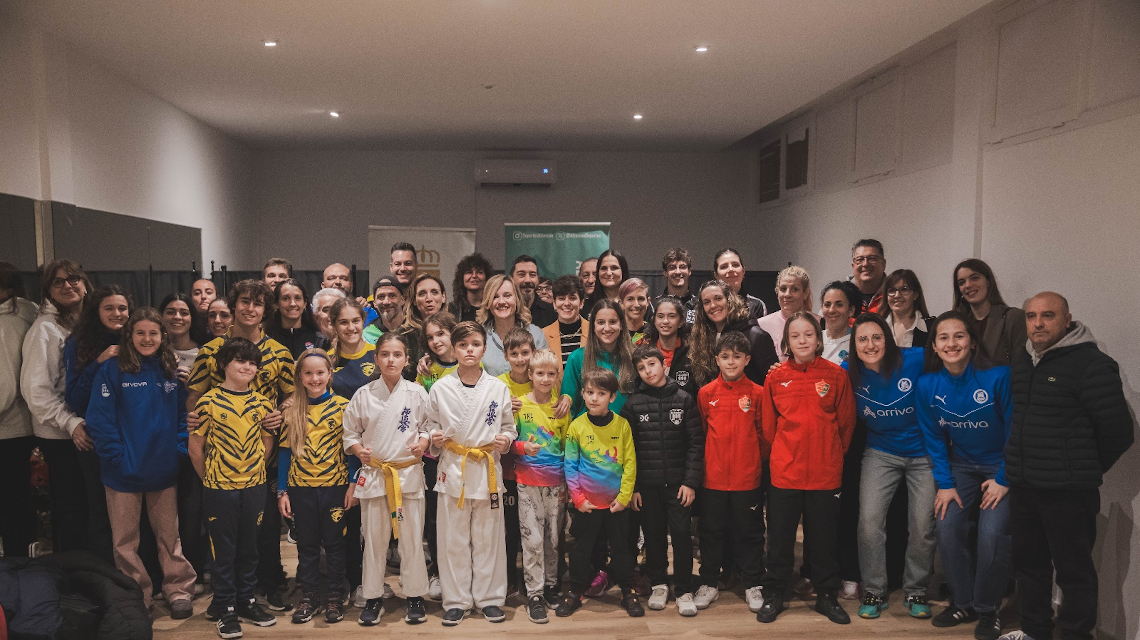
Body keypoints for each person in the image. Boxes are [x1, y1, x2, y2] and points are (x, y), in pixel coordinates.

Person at [1001, 293, 1134, 640]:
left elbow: (1118, 431)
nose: (1038, 323)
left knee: (1074, 572)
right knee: (1029, 568)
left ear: (1067, 319)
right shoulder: (1022, 359)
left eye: (1048, 315)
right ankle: (1034, 631)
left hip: (1069, 492)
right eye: (1031, 316)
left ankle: (1075, 635)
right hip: (1024, 486)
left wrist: (1081, 466)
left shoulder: (1092, 364)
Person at [187, 279, 294, 612]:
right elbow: (194, 395)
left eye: (258, 303)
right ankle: (226, 597)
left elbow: (292, 395)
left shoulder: (279, 352)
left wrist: (279, 415)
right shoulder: (210, 351)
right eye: (245, 302)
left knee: (265, 528)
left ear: (266, 310)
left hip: (266, 451)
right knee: (226, 534)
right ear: (233, 306)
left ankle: (268, 583)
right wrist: (193, 423)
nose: (250, 308)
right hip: (220, 457)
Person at [84, 308, 196, 617]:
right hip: (122, 473)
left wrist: (177, 451)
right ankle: (136, 594)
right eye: (140, 333)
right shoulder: (112, 371)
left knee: (169, 538)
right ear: (130, 337)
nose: (147, 339)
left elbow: (182, 419)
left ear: (163, 337)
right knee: (124, 541)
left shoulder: (172, 371)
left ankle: (178, 590)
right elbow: (100, 421)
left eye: (153, 333)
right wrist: (118, 458)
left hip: (163, 471)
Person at [916, 311, 1013, 640]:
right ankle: (962, 601)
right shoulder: (927, 385)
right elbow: (934, 439)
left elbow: (1017, 434)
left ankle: (988, 609)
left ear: (972, 342)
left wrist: (1004, 478)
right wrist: (944, 484)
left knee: (992, 537)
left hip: (1001, 468)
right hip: (961, 467)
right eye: (943, 337)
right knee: (947, 525)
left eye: (959, 336)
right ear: (935, 345)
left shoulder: (999, 377)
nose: (951, 343)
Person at [758, 312, 856, 625]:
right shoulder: (775, 377)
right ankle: (774, 592)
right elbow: (769, 427)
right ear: (786, 341)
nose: (802, 341)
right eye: (796, 336)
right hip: (785, 472)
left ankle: (826, 595)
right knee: (780, 537)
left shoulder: (836, 375)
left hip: (825, 473)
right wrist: (787, 454)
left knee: (824, 539)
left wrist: (830, 454)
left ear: (818, 339)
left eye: (808, 335)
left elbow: (846, 423)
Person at [425, 321, 517, 626]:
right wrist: (434, 438)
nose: (469, 351)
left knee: (489, 539)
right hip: (453, 469)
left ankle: (490, 598)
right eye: (462, 345)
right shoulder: (440, 387)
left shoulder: (497, 387)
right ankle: (456, 600)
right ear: (453, 348)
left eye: (475, 344)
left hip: (487, 468)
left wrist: (506, 439)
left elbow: (507, 427)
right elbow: (428, 426)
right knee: (453, 539)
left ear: (484, 348)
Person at [846, 314, 936, 620]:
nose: (870, 345)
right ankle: (874, 589)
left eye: (876, 337)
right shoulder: (848, 372)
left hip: (923, 454)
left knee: (922, 526)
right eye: (862, 339)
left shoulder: (916, 359)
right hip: (880, 451)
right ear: (854, 345)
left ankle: (916, 590)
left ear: (888, 339)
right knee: (869, 522)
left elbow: (955, 367)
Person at [189, 338, 279, 637]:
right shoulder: (208, 401)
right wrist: (211, 479)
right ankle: (225, 607)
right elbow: (196, 447)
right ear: (224, 364)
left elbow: (268, 442)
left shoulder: (262, 403)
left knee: (249, 547)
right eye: (240, 360)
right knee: (223, 550)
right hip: (219, 489)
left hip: (253, 486)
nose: (247, 366)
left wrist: (253, 471)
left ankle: (246, 599)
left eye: (253, 362)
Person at [343, 333, 433, 625]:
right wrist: (358, 450)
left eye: (397, 354)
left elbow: (428, 426)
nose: (391, 360)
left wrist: (423, 441)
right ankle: (372, 595)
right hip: (375, 473)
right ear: (376, 358)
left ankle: (415, 594)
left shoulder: (417, 393)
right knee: (373, 539)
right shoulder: (364, 394)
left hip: (407, 473)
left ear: (407, 360)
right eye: (385, 354)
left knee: (410, 540)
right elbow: (349, 433)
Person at [622, 344, 704, 617]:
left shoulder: (684, 399)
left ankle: (683, 588)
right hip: (647, 486)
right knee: (654, 536)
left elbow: (695, 443)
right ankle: (658, 583)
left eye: (652, 365)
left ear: (664, 366)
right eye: (642, 368)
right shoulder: (633, 404)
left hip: (679, 485)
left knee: (681, 535)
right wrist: (633, 488)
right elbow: (628, 449)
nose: (647, 372)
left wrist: (690, 482)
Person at [557, 368, 643, 618]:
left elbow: (630, 464)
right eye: (590, 392)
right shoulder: (577, 426)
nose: (594, 398)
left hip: (616, 505)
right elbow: (570, 467)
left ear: (612, 397)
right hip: (587, 505)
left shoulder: (623, 425)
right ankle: (574, 591)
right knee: (582, 550)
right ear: (582, 394)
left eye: (601, 393)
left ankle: (628, 591)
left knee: (622, 550)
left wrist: (624, 497)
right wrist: (579, 499)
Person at [21, 260, 93, 556]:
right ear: (48, 291)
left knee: (89, 509)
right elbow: (36, 391)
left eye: (73, 278)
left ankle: (93, 574)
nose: (68, 285)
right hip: (62, 436)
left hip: (88, 431)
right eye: (58, 282)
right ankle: (72, 580)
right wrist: (70, 422)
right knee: (72, 511)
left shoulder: (89, 323)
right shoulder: (45, 330)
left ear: (85, 283)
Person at [691, 332, 766, 614]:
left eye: (737, 356)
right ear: (717, 360)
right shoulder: (706, 393)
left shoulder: (758, 393)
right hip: (713, 479)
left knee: (750, 532)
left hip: (748, 478)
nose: (731, 362)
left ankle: (753, 583)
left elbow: (763, 435)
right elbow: (702, 432)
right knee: (711, 532)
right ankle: (709, 581)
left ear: (747, 360)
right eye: (725, 356)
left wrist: (753, 464)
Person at [278, 348, 351, 625]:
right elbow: (284, 453)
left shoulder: (344, 407)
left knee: (334, 544)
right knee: (307, 546)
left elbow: (351, 452)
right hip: (301, 489)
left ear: (330, 374)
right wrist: (282, 491)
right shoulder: (292, 408)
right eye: (308, 373)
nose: (314, 378)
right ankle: (308, 595)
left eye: (320, 372)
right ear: (300, 376)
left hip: (334, 487)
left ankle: (334, 595)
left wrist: (353, 484)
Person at [62, 285, 132, 564]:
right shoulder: (79, 342)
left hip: (132, 437)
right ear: (96, 311)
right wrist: (99, 362)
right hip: (96, 439)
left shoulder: (138, 338)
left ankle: (137, 575)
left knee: (131, 511)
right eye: (109, 308)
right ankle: (106, 576)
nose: (117, 313)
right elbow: (74, 397)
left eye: (122, 308)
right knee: (100, 509)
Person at [512, 348, 570, 623]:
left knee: (554, 539)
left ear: (557, 376)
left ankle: (551, 585)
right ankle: (534, 593)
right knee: (532, 539)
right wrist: (523, 447)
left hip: (556, 484)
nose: (545, 379)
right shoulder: (520, 405)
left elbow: (569, 447)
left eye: (551, 374)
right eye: (540, 374)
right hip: (527, 483)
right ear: (530, 375)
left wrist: (569, 484)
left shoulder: (561, 408)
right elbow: (508, 441)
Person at [325, 297, 376, 606]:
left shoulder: (379, 356)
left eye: (355, 321)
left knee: (372, 524)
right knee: (345, 522)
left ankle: (371, 581)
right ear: (334, 326)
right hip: (337, 452)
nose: (350, 327)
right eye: (343, 322)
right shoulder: (327, 362)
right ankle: (350, 581)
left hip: (372, 452)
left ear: (363, 322)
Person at [159, 292, 209, 591]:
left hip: (194, 441)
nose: (177, 317)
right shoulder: (150, 350)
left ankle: (194, 570)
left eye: (184, 312)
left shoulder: (205, 353)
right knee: (163, 517)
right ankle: (164, 573)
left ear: (192, 317)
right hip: (158, 442)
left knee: (192, 513)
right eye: (170, 311)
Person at [0, 263, 43, 559]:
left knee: (12, 500)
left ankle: (18, 564)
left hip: (8, 427)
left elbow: (5, 382)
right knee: (16, 498)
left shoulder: (10, 322)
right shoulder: (29, 312)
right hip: (17, 426)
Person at [496, 327, 534, 598]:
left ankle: (535, 577)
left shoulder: (542, 380)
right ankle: (509, 577)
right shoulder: (498, 384)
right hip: (508, 467)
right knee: (510, 527)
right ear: (506, 355)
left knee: (531, 526)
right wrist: (502, 407)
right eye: (514, 353)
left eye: (525, 352)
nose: (520, 359)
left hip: (535, 467)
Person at [689, 280, 779, 388]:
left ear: (729, 300)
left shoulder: (756, 336)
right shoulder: (700, 337)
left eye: (718, 298)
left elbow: (773, 384)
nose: (713, 305)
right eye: (707, 302)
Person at [561, 299, 636, 417]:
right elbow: (569, 407)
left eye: (612, 322)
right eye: (601, 322)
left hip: (624, 432)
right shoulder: (577, 358)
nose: (607, 328)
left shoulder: (634, 358)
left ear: (621, 324)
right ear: (593, 326)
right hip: (586, 433)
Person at [952, 258, 1026, 366]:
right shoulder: (957, 324)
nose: (968, 285)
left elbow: (1021, 368)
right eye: (962, 282)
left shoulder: (1014, 318)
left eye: (975, 278)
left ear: (988, 281)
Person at [476, 274, 548, 377]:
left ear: (517, 299)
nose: (501, 301)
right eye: (495, 297)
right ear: (488, 301)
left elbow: (545, 375)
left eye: (507, 295)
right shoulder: (479, 337)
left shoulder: (536, 334)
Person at [639, 296, 696, 398]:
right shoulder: (644, 352)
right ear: (654, 320)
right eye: (660, 316)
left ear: (681, 322)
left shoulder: (692, 353)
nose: (665, 321)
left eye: (672, 316)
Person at [757, 266, 815, 360]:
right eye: (783, 289)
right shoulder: (761, 325)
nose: (787, 294)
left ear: (805, 293)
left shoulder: (819, 323)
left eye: (794, 289)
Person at [397, 273, 448, 380]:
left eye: (434, 292)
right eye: (422, 294)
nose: (429, 298)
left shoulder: (456, 331)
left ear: (443, 297)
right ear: (414, 300)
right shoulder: (401, 336)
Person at [266, 278, 327, 359]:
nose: (292, 303)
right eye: (285, 298)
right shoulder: (266, 340)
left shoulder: (320, 341)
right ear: (276, 303)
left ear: (305, 303)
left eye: (297, 298)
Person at [543, 274, 588, 370]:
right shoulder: (543, 335)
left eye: (572, 298)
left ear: (581, 303)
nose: (567, 303)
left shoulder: (594, 331)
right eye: (561, 298)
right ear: (554, 304)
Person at [880, 269, 933, 348]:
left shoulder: (933, 327)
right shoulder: (878, 327)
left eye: (904, 289)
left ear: (916, 294)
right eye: (891, 290)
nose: (897, 295)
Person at [713, 248, 768, 321]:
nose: (731, 269)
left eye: (735, 265)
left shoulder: (757, 305)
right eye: (724, 266)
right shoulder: (708, 305)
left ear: (743, 271)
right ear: (716, 275)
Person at [510, 254, 557, 329]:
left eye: (532, 275)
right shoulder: (504, 311)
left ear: (538, 279)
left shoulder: (552, 313)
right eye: (521, 275)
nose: (528, 280)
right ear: (511, 279)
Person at [819, 281, 859, 364]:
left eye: (839, 305)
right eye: (827, 305)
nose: (832, 310)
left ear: (851, 310)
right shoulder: (815, 340)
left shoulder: (858, 342)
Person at [449, 252, 491, 323]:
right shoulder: (453, 309)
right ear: (461, 279)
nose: (474, 276)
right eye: (469, 272)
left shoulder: (493, 307)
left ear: (486, 279)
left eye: (479, 272)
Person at [362, 276, 405, 345]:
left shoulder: (414, 330)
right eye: (381, 297)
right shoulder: (367, 335)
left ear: (402, 300)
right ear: (374, 303)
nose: (386, 302)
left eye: (392, 296)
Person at [850, 239, 887, 315]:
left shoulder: (895, 296)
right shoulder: (841, 295)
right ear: (853, 266)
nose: (866, 264)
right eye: (860, 259)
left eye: (872, 258)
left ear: (883, 264)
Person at [659, 247, 697, 321]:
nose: (678, 272)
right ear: (665, 273)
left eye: (682, 267)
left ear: (689, 271)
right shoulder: (655, 305)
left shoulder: (699, 305)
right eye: (672, 267)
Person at [618, 278, 651, 343]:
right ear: (621, 303)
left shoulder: (654, 333)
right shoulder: (615, 333)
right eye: (630, 299)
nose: (636, 305)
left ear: (648, 302)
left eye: (641, 299)